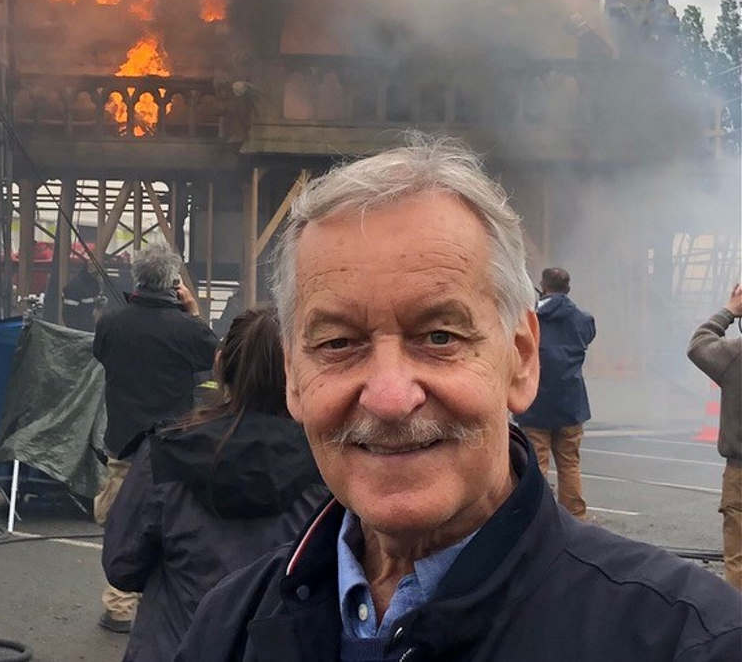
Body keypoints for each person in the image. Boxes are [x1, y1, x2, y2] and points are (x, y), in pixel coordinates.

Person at [176, 138, 741, 661]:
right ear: (294, 379)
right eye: (338, 343)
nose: (391, 398)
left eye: (440, 336)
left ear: (521, 358)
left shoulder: (689, 640)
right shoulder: (228, 625)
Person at [103, 306, 326, 662]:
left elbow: (122, 565)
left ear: (221, 364)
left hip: (173, 645)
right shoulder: (327, 464)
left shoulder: (166, 452)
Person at [92, 244, 219, 633]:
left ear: (137, 279)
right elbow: (215, 360)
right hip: (173, 445)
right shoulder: (187, 329)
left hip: (124, 439)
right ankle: (162, 602)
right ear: (174, 283)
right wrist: (194, 313)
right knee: (173, 522)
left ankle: (119, 606)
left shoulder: (111, 322)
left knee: (120, 520)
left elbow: (101, 355)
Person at [516, 267, 597, 519]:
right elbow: (587, 337)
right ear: (568, 289)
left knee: (538, 465)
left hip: (536, 402)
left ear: (543, 286)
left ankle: (540, 518)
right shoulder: (583, 319)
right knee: (570, 464)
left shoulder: (530, 318)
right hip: (571, 403)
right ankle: (575, 518)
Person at [687, 284, 742, 590]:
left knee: (739, 561)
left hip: (740, 471)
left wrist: (730, 310)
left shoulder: (735, 355)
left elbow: (699, 345)